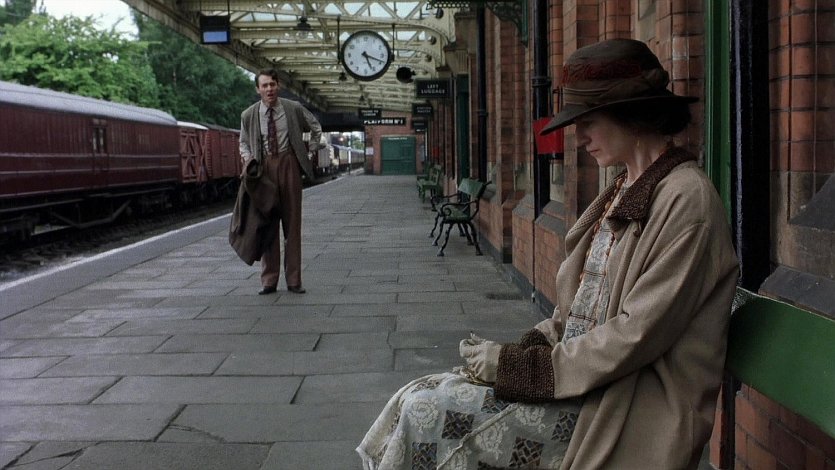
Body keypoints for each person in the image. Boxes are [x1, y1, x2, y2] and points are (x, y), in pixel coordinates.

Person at [357, 38, 739, 469]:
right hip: (585, 387)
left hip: (622, 409)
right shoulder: (625, 186)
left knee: (428, 415)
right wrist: (520, 353)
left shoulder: (687, 200)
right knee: (415, 395)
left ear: (631, 114)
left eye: (588, 121)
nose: (579, 137)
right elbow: (578, 314)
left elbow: (635, 336)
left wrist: (516, 369)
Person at [239, 68, 322, 295]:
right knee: (267, 224)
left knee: (292, 224)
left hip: (289, 165)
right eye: (264, 85)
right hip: (263, 169)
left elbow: (315, 127)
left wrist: (310, 152)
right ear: (258, 89)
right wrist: (248, 159)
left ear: (278, 86)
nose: (269, 89)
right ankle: (269, 281)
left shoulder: (293, 108)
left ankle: (294, 280)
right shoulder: (249, 115)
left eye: (272, 84)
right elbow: (243, 142)